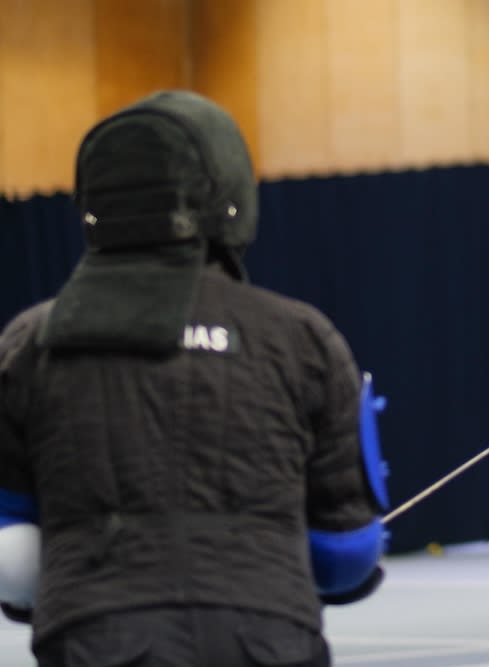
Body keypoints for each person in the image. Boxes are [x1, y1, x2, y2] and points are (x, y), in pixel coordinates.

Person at [0, 90, 387, 665]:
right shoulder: (301, 337)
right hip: (267, 637)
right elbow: (346, 553)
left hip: (94, 638)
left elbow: (13, 560)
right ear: (232, 195)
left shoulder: (28, 345)